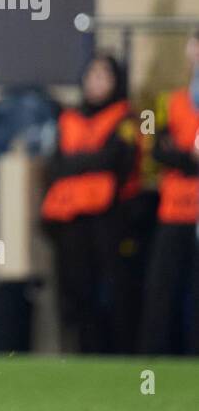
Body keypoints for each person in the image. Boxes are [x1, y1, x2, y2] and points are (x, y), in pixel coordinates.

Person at [40, 54, 142, 354]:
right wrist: (89, 163)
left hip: (110, 215)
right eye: (91, 75)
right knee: (77, 288)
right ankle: (85, 351)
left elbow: (116, 160)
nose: (96, 82)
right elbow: (54, 166)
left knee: (115, 287)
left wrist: (78, 163)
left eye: (104, 76)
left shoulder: (125, 118)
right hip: (69, 217)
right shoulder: (68, 118)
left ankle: (122, 351)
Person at [140, 31, 199, 354]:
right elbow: (157, 150)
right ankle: (152, 357)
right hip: (175, 209)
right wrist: (186, 159)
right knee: (161, 288)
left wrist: (182, 156)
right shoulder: (171, 101)